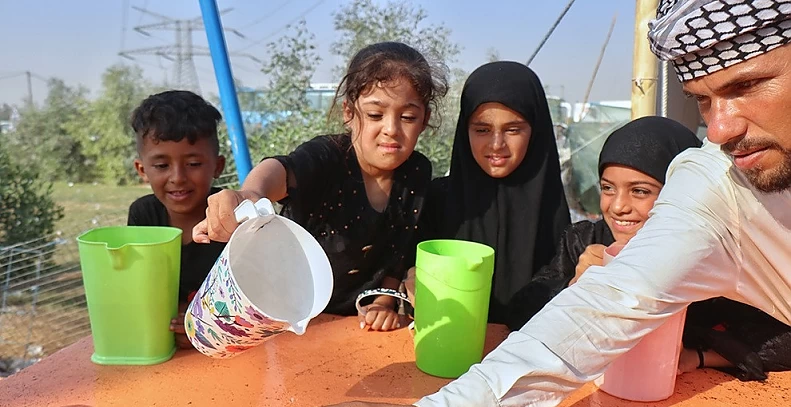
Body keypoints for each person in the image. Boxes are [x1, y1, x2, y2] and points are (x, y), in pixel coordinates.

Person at [297, 0, 791, 407]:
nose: (721, 129)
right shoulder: (716, 189)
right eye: (702, 101)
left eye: (747, 86)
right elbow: (599, 312)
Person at [504, 115, 791, 381]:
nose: (617, 206)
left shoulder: (711, 257)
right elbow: (520, 311)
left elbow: (781, 340)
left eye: (640, 191)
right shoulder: (586, 241)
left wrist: (699, 356)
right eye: (607, 188)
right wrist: (574, 287)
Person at [194, 42, 447, 331]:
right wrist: (250, 194)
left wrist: (382, 303)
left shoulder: (416, 172)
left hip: (356, 325)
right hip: (285, 316)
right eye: (376, 115)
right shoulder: (328, 156)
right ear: (349, 112)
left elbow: (400, 246)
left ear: (424, 120)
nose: (391, 128)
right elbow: (280, 170)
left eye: (408, 117)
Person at [414, 61, 570, 324]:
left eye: (513, 129)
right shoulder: (435, 203)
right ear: (465, 131)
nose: (497, 145)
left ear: (536, 130)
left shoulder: (558, 219)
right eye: (482, 130)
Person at [128, 90, 227, 350]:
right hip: (162, 351)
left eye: (193, 163)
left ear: (217, 166)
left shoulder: (230, 219)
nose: (178, 177)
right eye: (161, 166)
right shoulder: (143, 216)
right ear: (142, 170)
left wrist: (206, 325)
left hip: (227, 352)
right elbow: (139, 292)